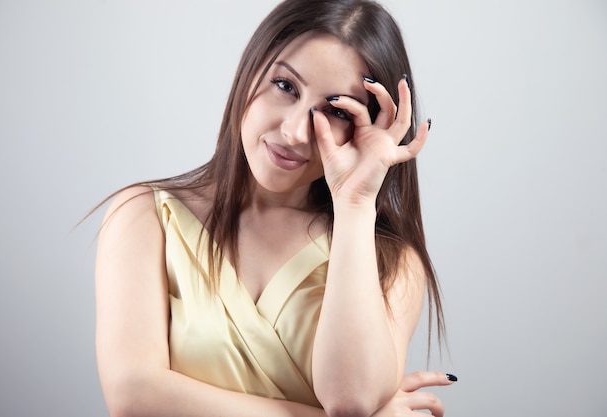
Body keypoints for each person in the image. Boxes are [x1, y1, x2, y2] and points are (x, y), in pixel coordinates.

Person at [94, 0, 456, 416]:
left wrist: (355, 203)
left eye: (336, 111)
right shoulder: (146, 217)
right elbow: (134, 396)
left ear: (366, 126)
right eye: (286, 86)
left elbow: (351, 399)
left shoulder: (390, 261)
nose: (295, 131)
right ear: (250, 72)